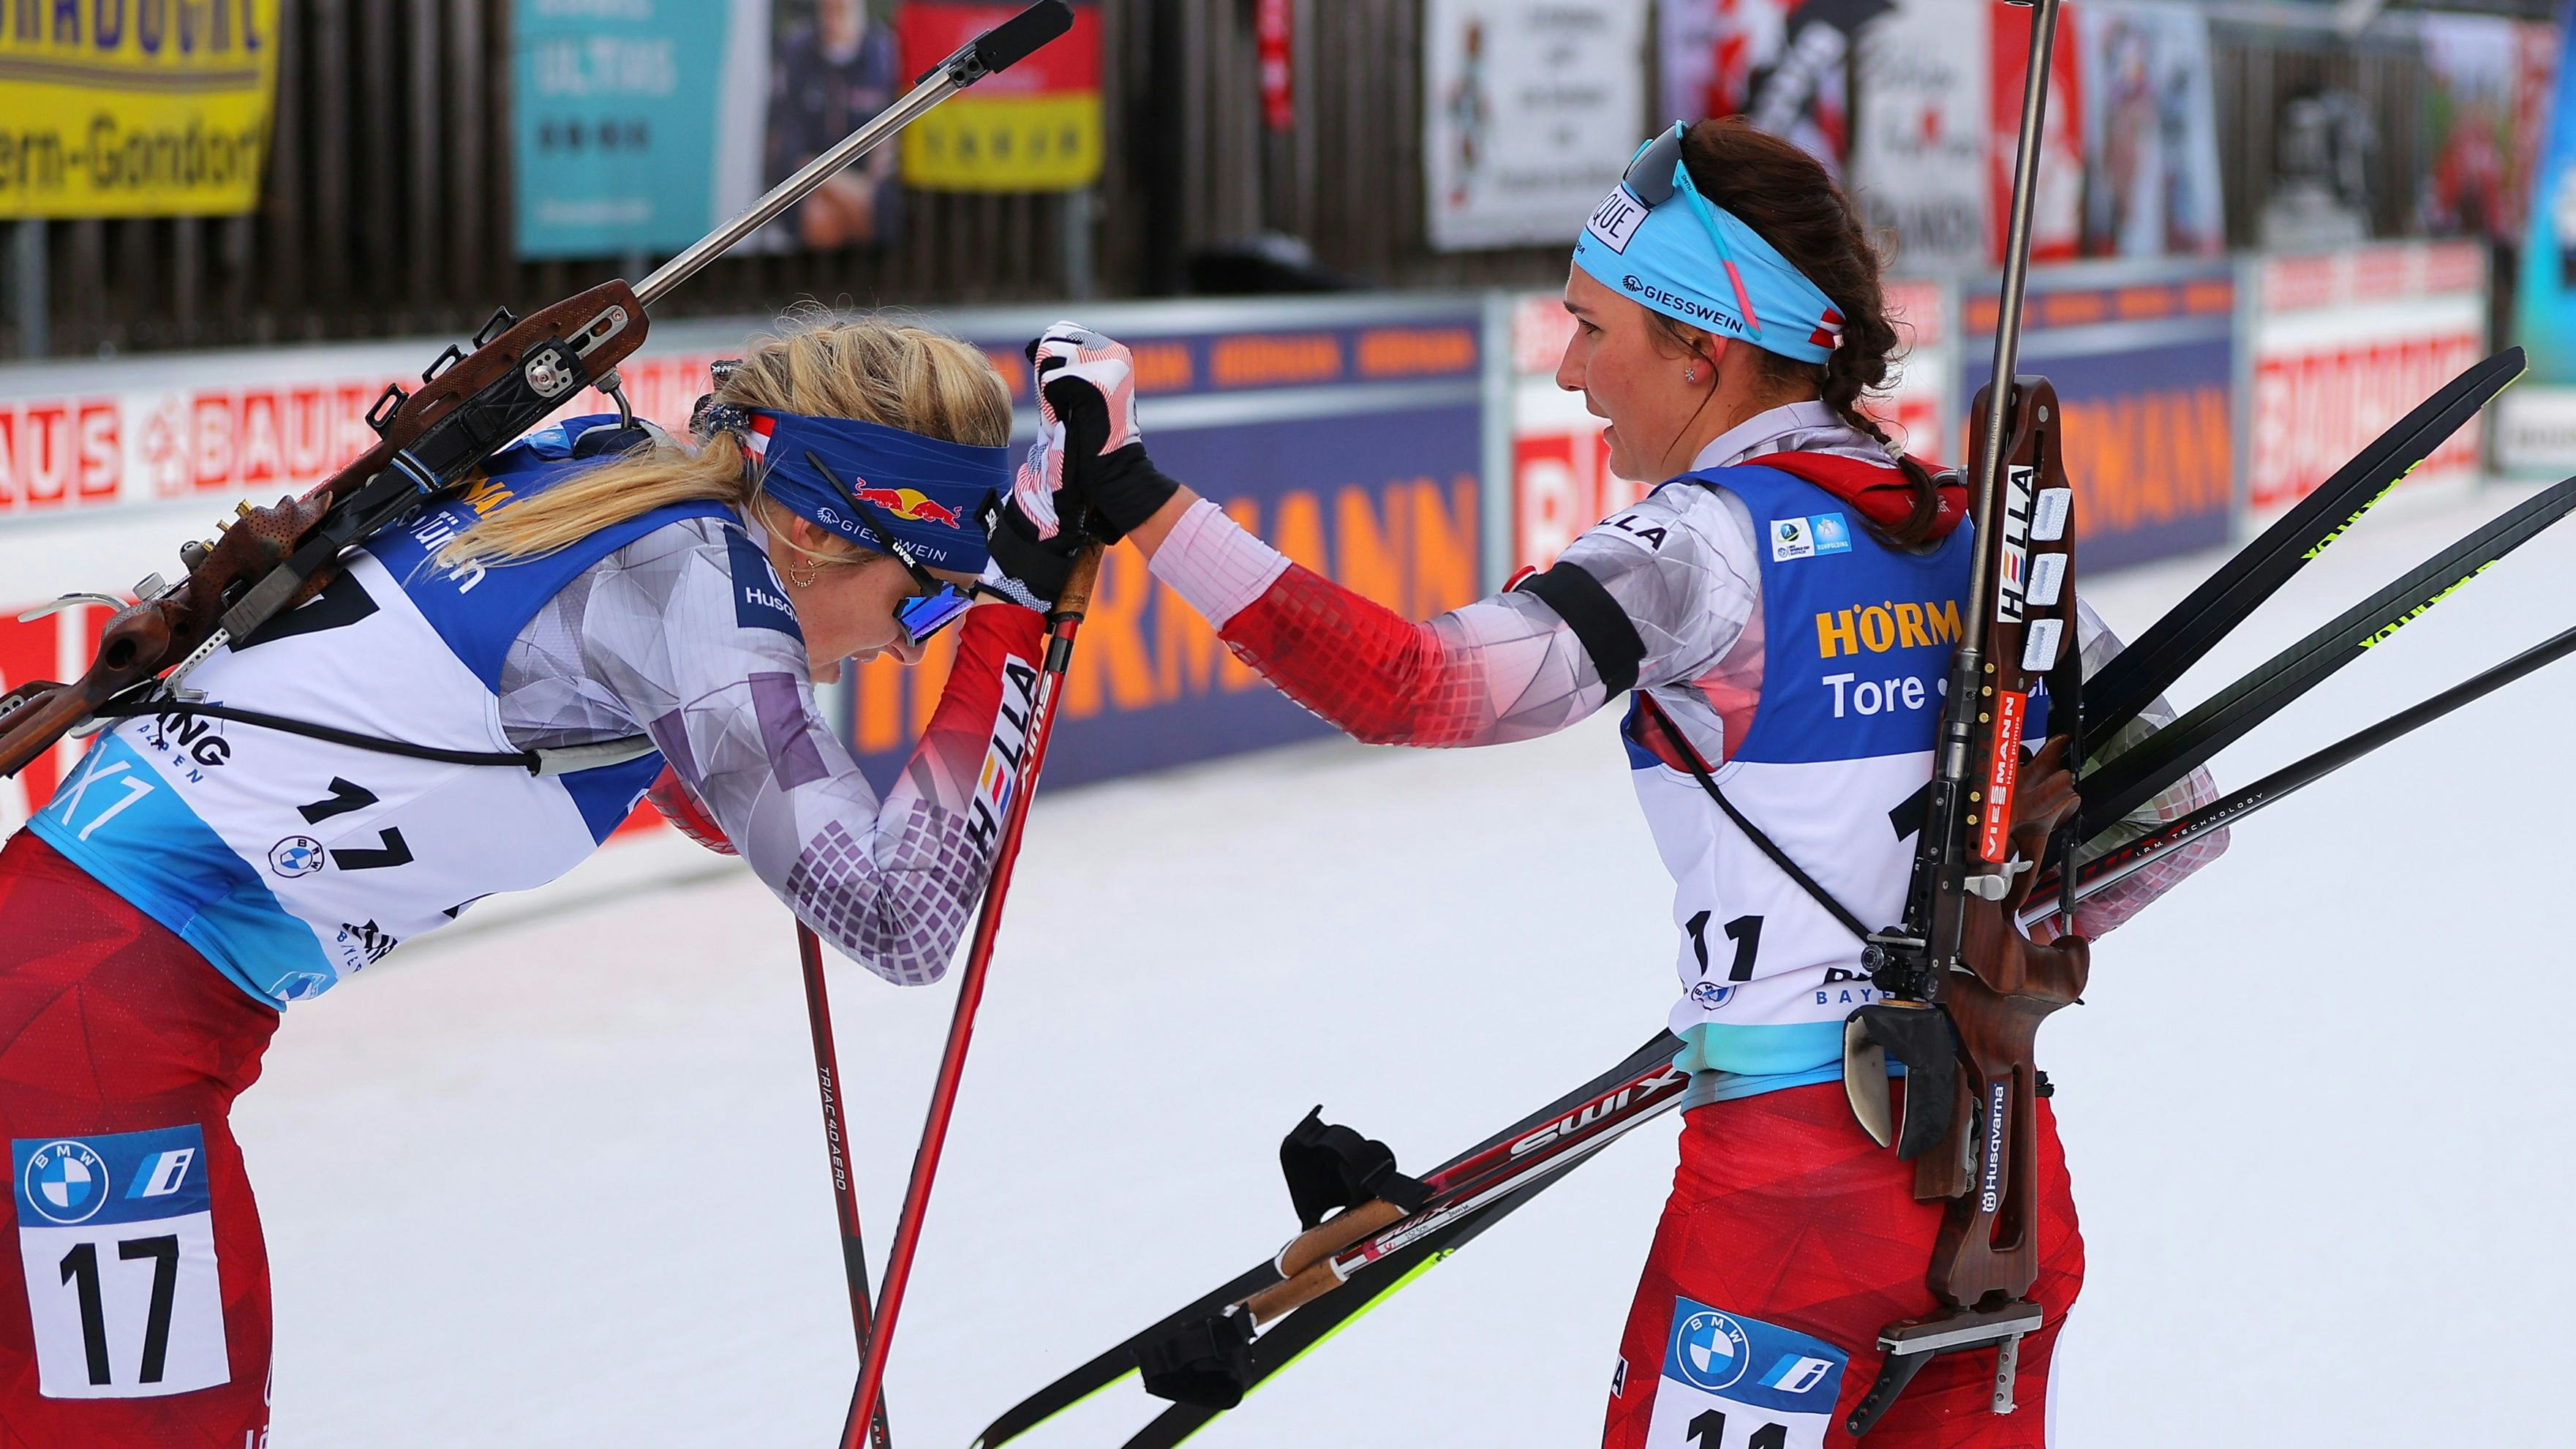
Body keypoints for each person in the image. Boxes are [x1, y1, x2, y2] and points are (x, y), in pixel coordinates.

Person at [999, 119, 2226, 1446]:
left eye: (1596, 329)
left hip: (1793, 1200)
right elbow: (2172, 822)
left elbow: (1415, 684)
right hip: (1997, 1177)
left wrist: (1135, 493)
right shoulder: (1960, 530)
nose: (1573, 370)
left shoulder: (1698, 546)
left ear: (1705, 346)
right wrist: (1980, 937)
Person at [0, 316, 1080, 1444]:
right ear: (815, 528)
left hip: (72, 986)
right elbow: (902, 923)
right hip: (85, 1040)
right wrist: (1013, 623)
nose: (916, 645)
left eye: (947, 612)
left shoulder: (613, 486)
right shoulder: (692, 577)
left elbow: (711, 797)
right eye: (925, 600)